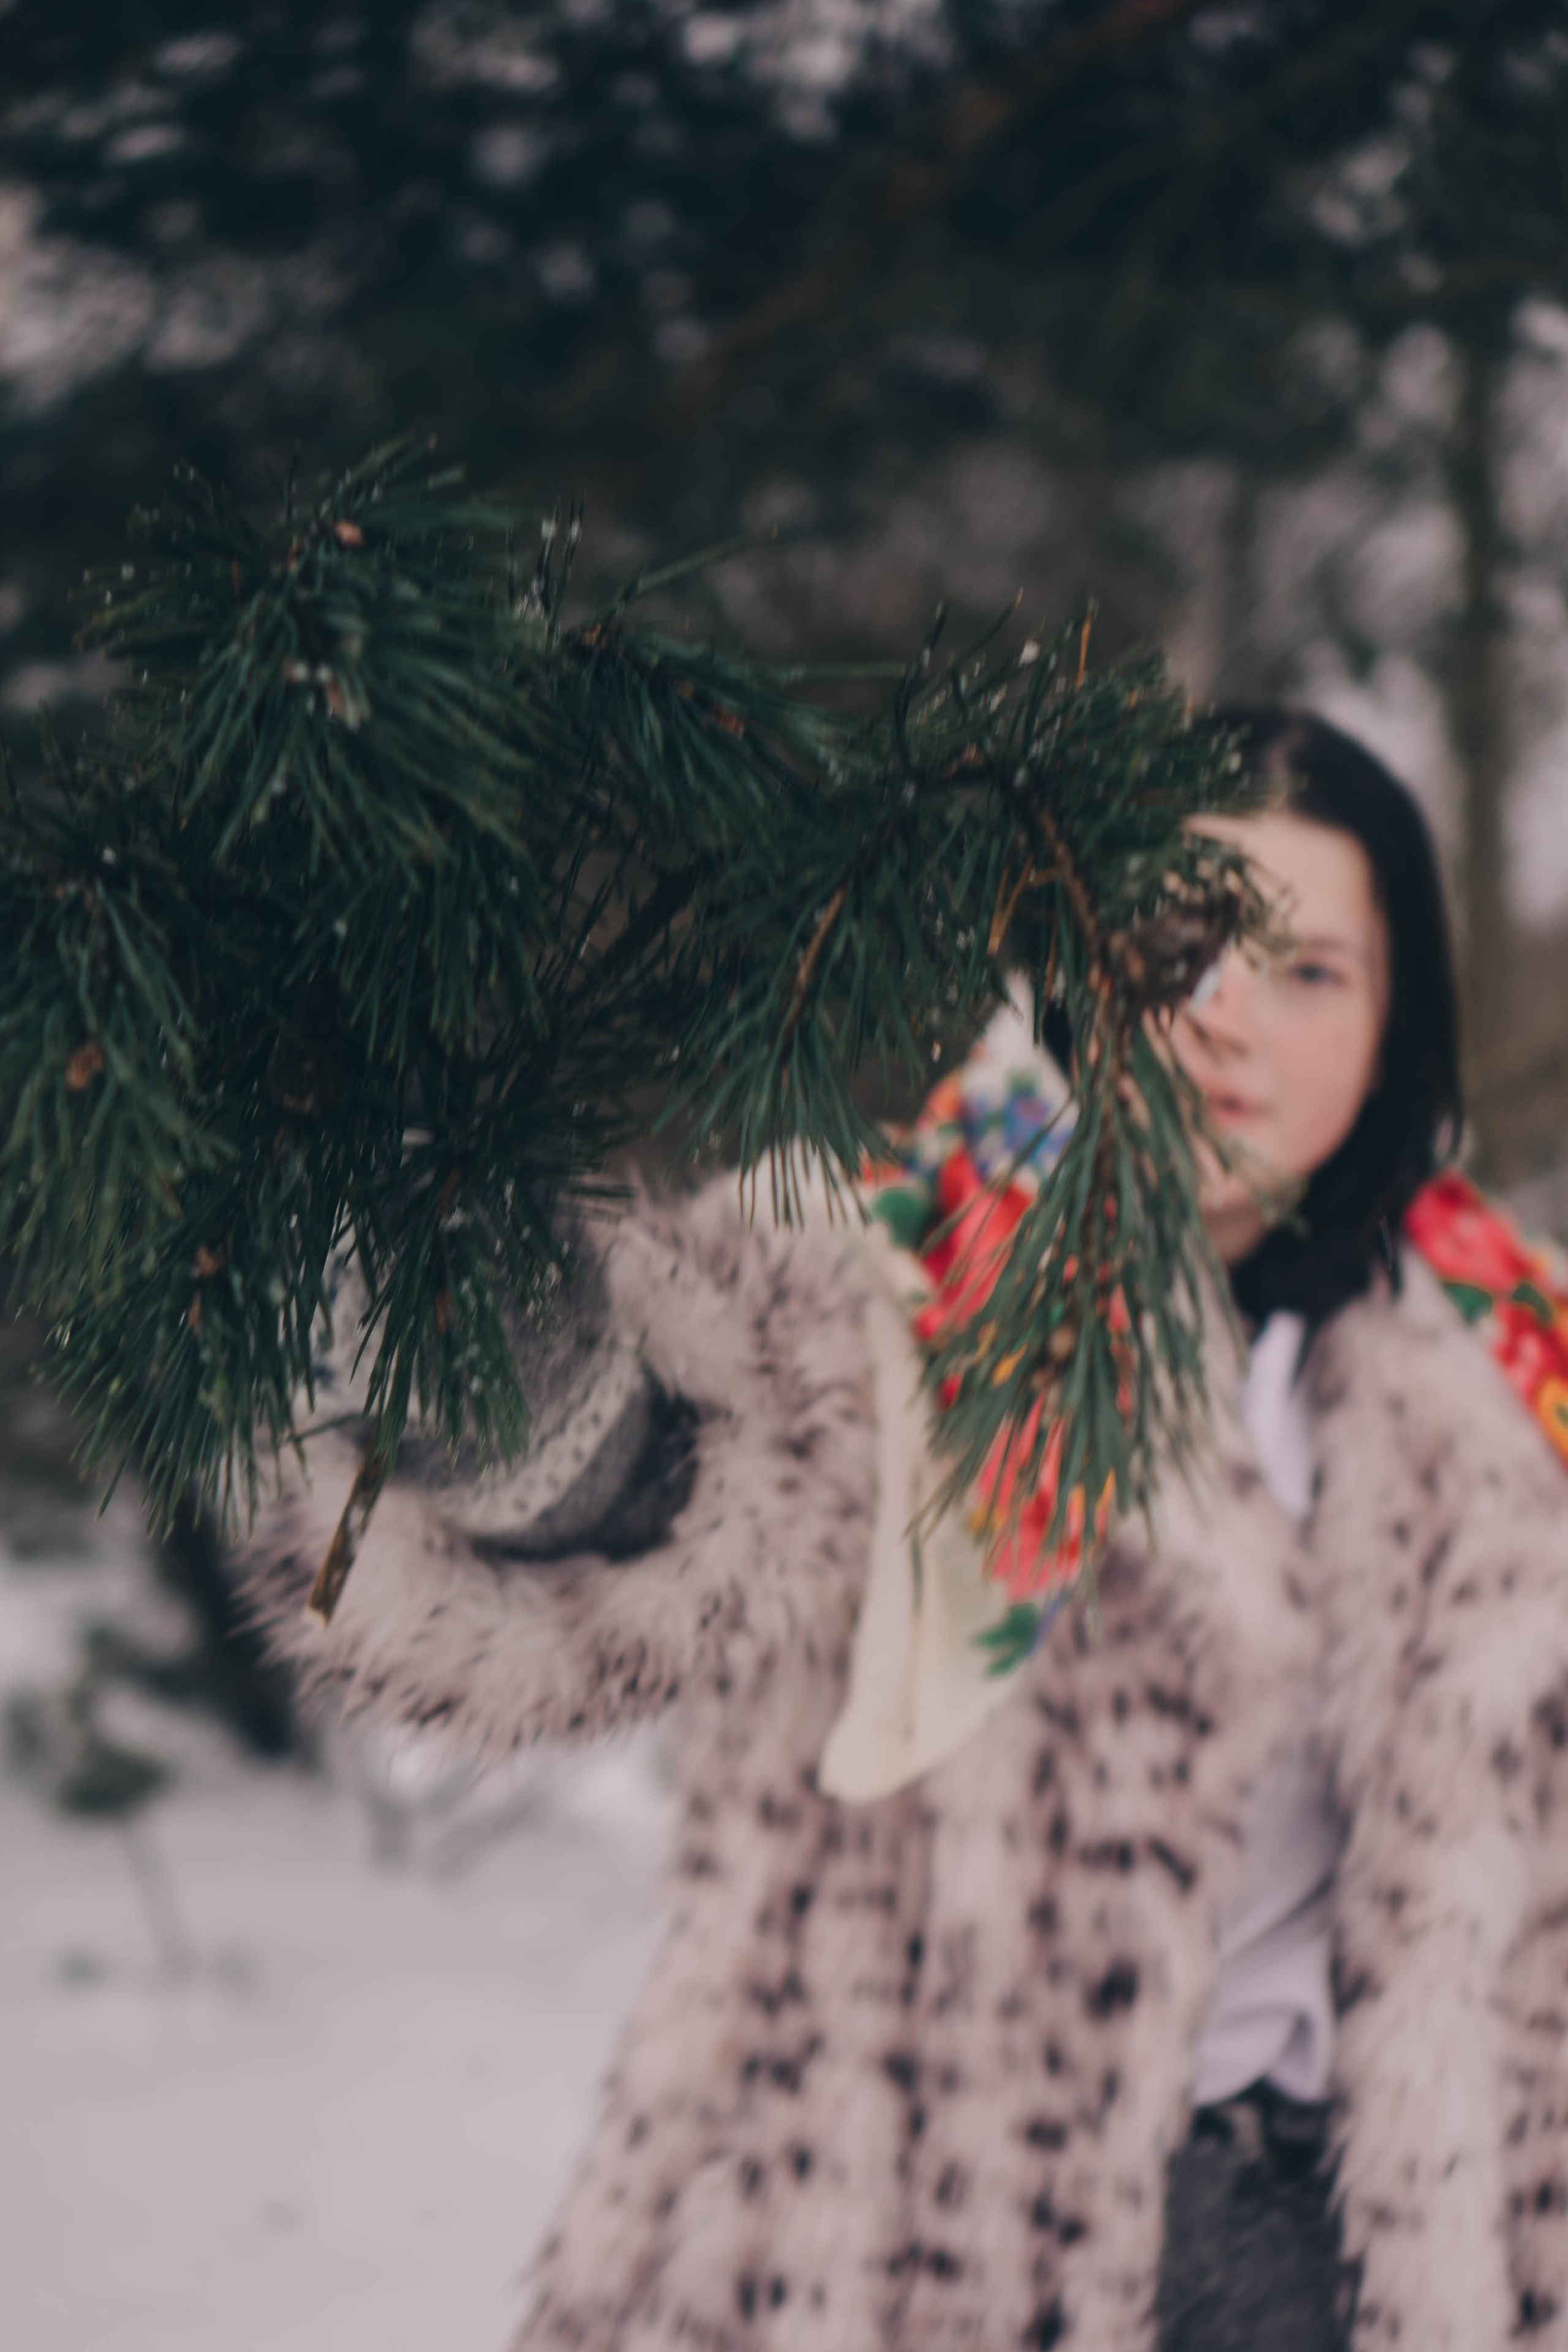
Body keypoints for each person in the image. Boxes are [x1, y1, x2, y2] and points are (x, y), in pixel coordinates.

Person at [245, 710, 1568, 2352]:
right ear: (1079, 964)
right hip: (910, 2260)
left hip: (1378, 2278)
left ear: (1399, 1030)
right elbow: (659, 1484)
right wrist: (491, 1340)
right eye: (1181, 942)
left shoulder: (1522, 1381)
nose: (1232, 1015)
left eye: (1314, 972)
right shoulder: (899, 1290)